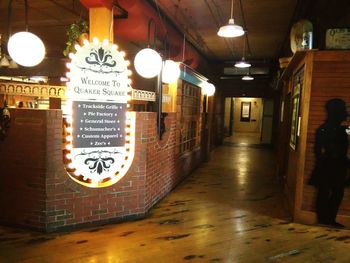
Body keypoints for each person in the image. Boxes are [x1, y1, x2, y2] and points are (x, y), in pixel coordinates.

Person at [309, 98, 349, 228]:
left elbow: (318, 150)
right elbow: (322, 150)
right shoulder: (332, 130)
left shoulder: (326, 129)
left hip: (329, 165)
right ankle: (327, 219)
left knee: (328, 192)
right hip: (333, 166)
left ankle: (326, 219)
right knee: (331, 192)